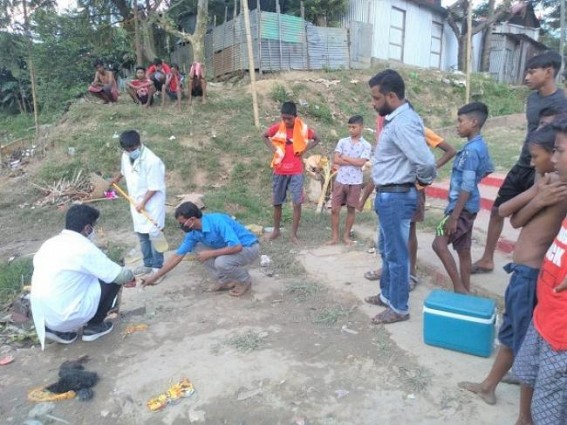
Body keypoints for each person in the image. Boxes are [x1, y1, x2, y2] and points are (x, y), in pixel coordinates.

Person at [458, 125, 567, 423]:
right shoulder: (547, 183)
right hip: (521, 273)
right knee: (510, 336)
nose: (533, 163)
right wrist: (538, 197)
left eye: (539, 155)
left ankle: (524, 416)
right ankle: (488, 386)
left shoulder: (560, 188)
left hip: (533, 275)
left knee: (525, 348)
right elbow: (510, 214)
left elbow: (513, 216)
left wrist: (540, 198)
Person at [471, 51, 566, 274]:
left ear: (549, 71)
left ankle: (540, 264)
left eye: (532, 71)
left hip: (546, 167)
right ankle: (487, 259)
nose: (526, 77)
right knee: (498, 210)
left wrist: (544, 173)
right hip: (525, 162)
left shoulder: (562, 102)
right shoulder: (532, 99)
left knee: (543, 217)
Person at [364, 69, 436, 324]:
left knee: (396, 256)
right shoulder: (397, 119)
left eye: (375, 98)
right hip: (388, 196)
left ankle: (399, 308)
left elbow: (426, 162)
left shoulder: (403, 123)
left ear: (391, 96)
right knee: (386, 250)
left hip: (396, 197)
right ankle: (387, 296)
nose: (373, 104)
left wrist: (422, 181)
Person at [512, 117, 567, 425]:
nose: (553, 158)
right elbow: (511, 215)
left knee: (549, 411)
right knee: (534, 389)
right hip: (545, 316)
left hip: (561, 335)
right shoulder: (552, 185)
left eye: (558, 150)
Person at [361, 126, 456, 287]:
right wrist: (364, 196)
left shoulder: (420, 130)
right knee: (387, 232)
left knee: (409, 232)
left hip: (413, 190)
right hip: (390, 189)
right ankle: (387, 268)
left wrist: (429, 168)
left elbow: (450, 151)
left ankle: (411, 273)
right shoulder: (390, 131)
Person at [30, 205, 136, 349]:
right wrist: (131, 277)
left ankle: (57, 331)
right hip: (67, 315)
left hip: (45, 317)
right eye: (93, 227)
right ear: (87, 228)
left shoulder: (49, 244)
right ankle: (94, 326)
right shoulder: (83, 247)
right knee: (111, 279)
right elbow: (119, 275)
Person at [432, 102, 494, 293]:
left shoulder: (470, 151)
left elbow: (466, 185)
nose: (457, 125)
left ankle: (459, 288)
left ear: (474, 122)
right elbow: (487, 169)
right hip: (470, 206)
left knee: (439, 244)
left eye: (460, 121)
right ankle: (465, 291)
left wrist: (454, 216)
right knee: (463, 251)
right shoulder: (479, 146)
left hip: (460, 209)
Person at [141, 202, 260, 297]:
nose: (182, 226)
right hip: (231, 248)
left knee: (221, 262)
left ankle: (244, 280)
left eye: (183, 223)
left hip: (248, 248)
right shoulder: (193, 233)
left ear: (192, 219)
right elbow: (177, 256)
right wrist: (154, 277)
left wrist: (211, 253)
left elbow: (236, 246)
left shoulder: (218, 221)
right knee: (198, 249)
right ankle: (225, 280)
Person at [109, 130, 166, 280]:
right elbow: (124, 171)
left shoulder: (152, 161)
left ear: (139, 144)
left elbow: (154, 187)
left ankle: (158, 268)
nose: (130, 152)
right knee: (142, 235)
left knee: (155, 234)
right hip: (136, 201)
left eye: (133, 149)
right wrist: (116, 179)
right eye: (127, 150)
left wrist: (143, 203)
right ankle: (148, 264)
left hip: (152, 202)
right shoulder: (126, 155)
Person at [262, 101, 321, 244]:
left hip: (296, 171)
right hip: (280, 170)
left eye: (289, 118)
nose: (286, 121)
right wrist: (274, 150)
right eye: (284, 118)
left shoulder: (302, 129)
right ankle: (276, 231)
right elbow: (264, 136)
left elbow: (317, 139)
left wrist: (304, 150)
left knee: (297, 203)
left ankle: (293, 235)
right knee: (277, 202)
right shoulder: (278, 127)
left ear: (296, 117)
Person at [328, 115, 372, 245]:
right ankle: (335, 237)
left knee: (351, 209)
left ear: (361, 127)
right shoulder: (342, 141)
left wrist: (345, 158)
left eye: (354, 127)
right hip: (341, 180)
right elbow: (336, 159)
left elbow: (361, 163)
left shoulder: (366, 145)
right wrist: (353, 160)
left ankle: (346, 236)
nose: (351, 130)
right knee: (335, 209)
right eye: (349, 127)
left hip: (355, 182)